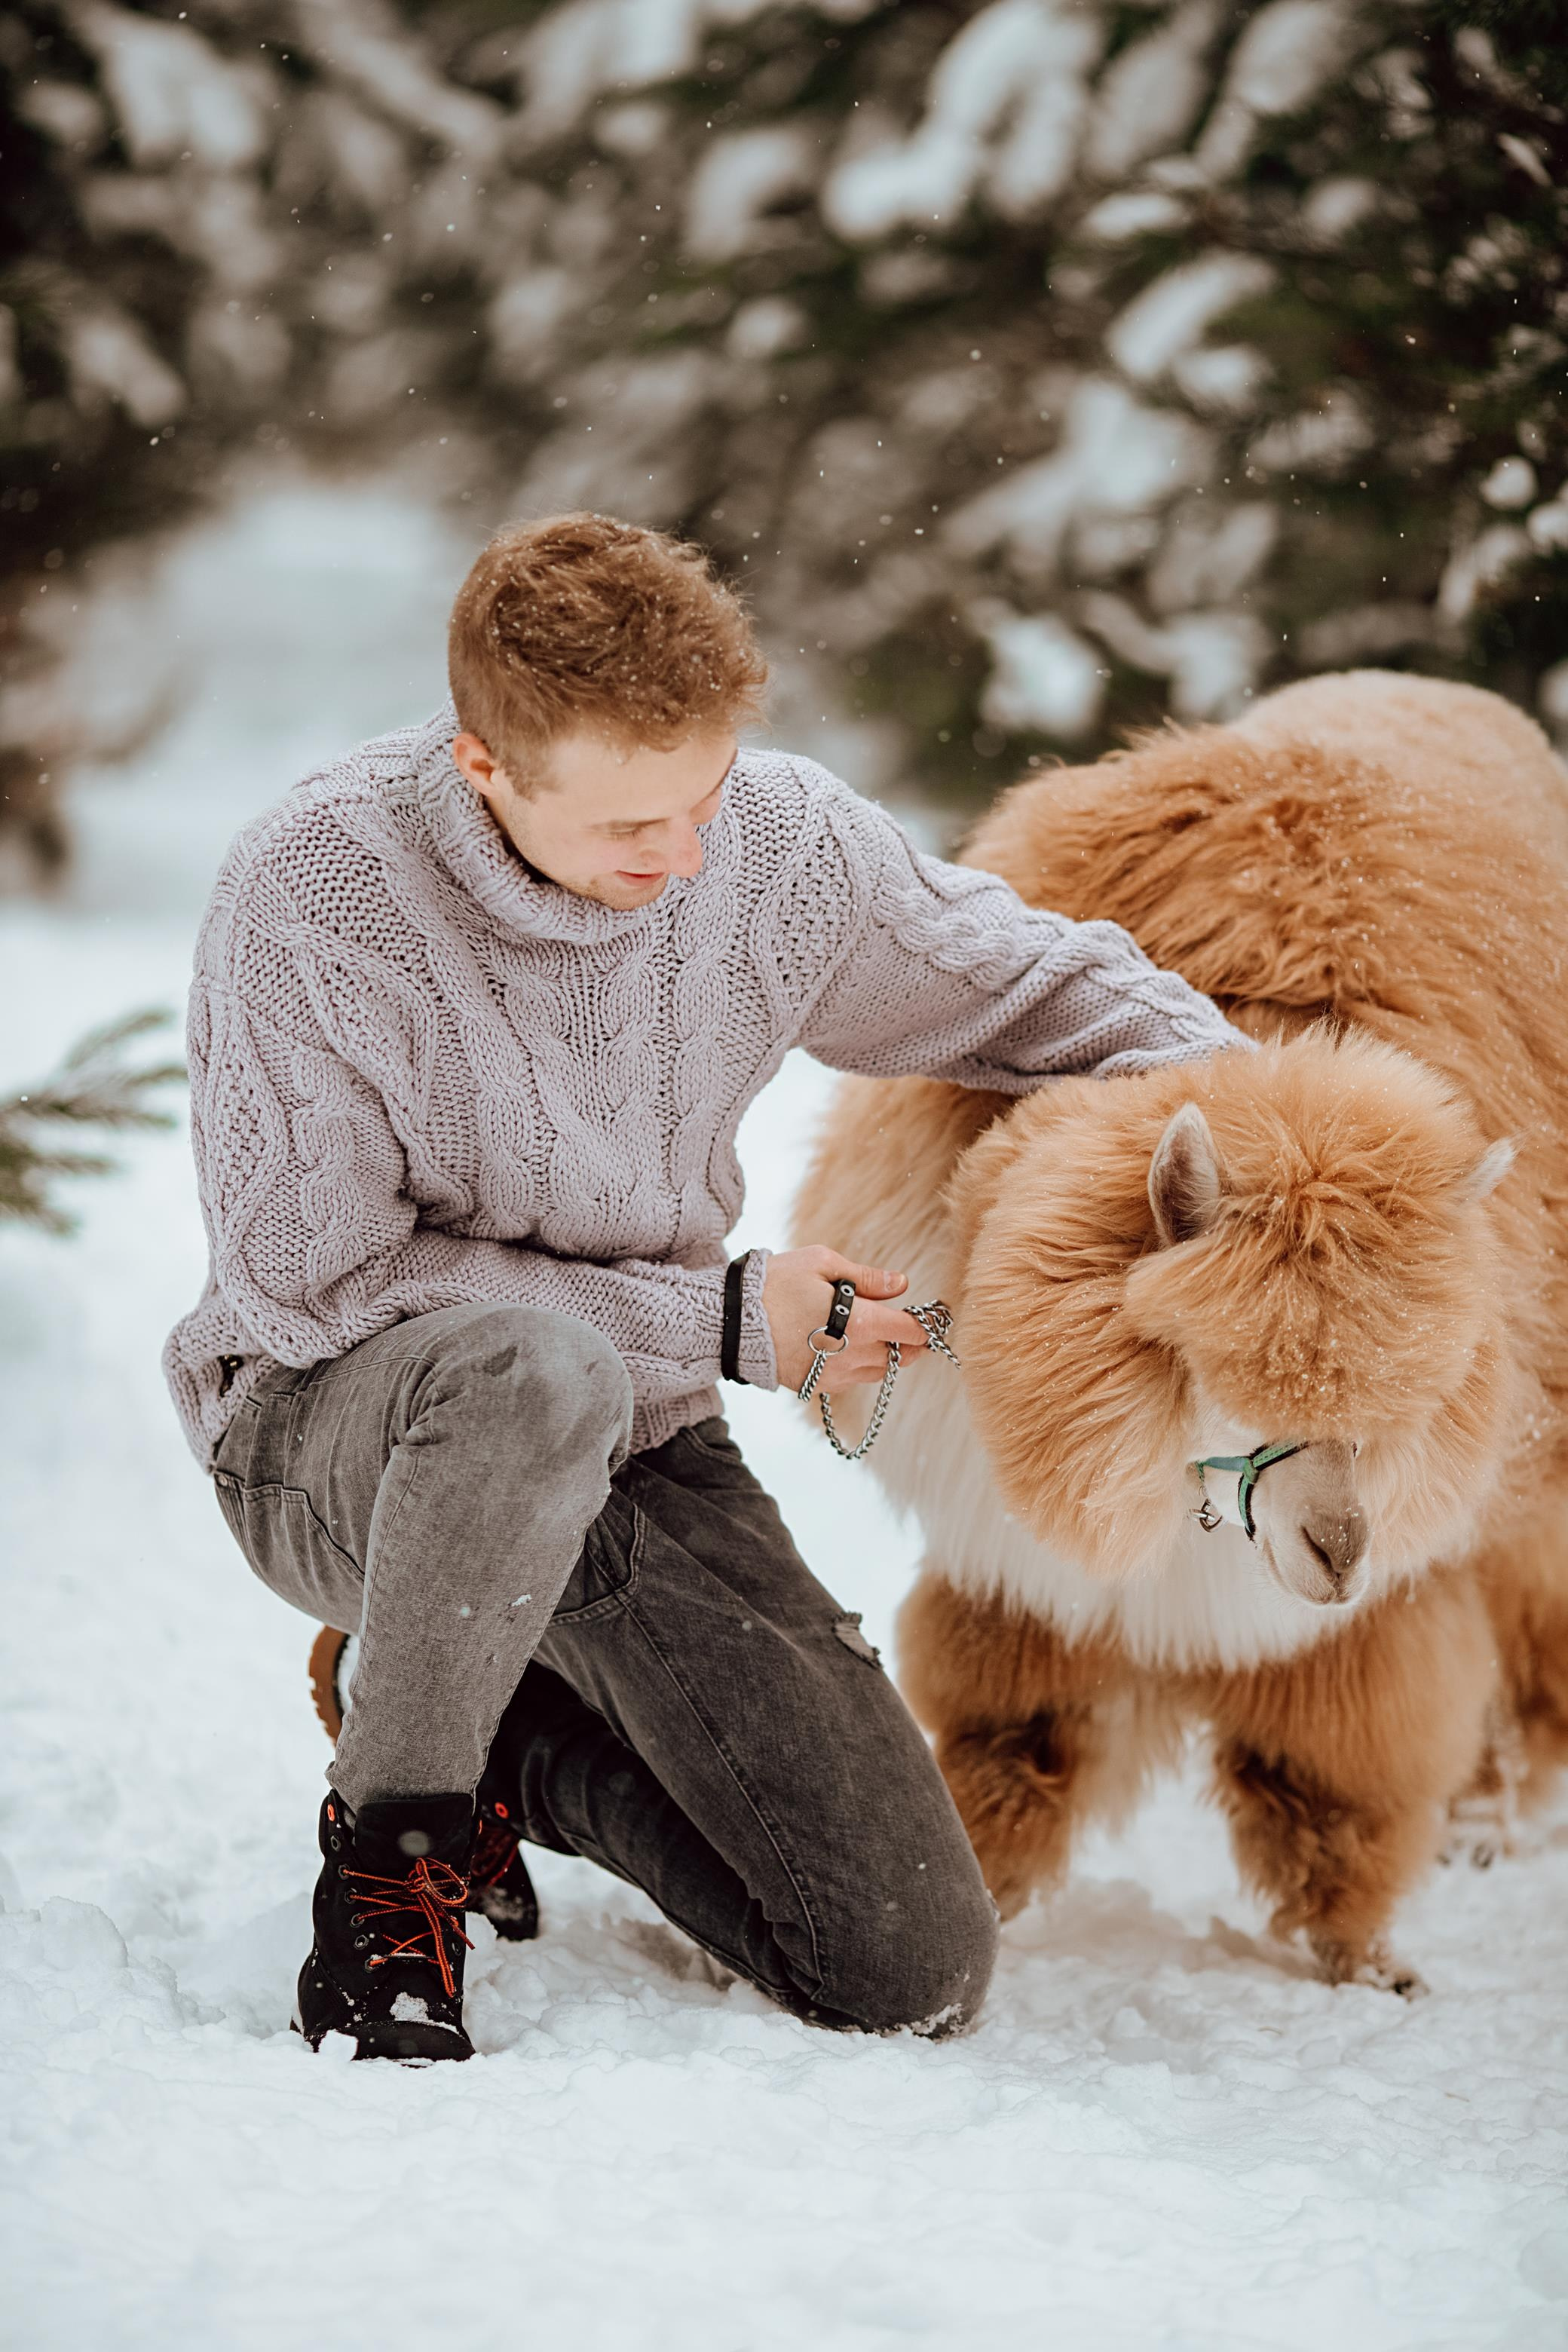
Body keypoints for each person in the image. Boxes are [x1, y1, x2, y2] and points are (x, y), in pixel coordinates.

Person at [165, 513, 1248, 2063]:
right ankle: (386, 1871)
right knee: (531, 1376)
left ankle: (502, 1749)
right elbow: (307, 1288)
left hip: (636, 1434)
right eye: (626, 830)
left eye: (705, 799)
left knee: (899, 1963)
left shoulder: (767, 852)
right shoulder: (315, 894)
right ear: (485, 768)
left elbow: (1026, 984)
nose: (679, 861)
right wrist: (725, 1322)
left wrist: (1284, 1117)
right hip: (336, 1439)